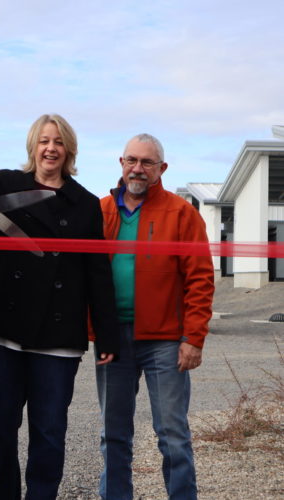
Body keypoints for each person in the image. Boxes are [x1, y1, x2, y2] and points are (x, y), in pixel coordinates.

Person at [0, 113, 121, 500]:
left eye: (58, 142)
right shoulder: (5, 182)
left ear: (69, 150)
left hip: (57, 335)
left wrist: (106, 334)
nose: (50, 148)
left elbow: (97, 272)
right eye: (43, 141)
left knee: (49, 432)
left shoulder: (85, 204)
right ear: (33, 146)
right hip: (4, 324)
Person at [94, 133, 214, 500]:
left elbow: (200, 277)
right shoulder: (100, 211)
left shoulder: (182, 213)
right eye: (132, 160)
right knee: (113, 434)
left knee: (173, 434)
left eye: (147, 163)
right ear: (121, 163)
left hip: (165, 341)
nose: (138, 169)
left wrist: (193, 338)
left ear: (162, 168)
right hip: (112, 338)